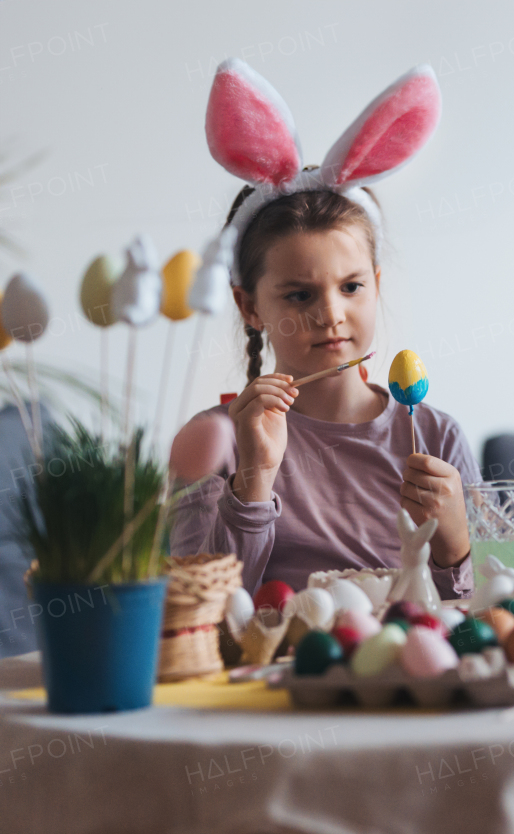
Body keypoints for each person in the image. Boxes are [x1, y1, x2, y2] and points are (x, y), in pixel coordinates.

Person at [171, 60, 477, 599]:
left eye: (352, 287)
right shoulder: (217, 441)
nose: (331, 313)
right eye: (299, 294)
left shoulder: (436, 438)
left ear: (377, 285)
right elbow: (203, 611)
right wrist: (255, 481)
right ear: (248, 306)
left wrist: (456, 548)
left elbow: (484, 613)